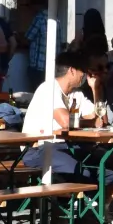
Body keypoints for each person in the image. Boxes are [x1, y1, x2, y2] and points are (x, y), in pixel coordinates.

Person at [20, 52, 107, 184]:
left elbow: (102, 120)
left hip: (66, 146)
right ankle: (79, 203)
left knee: (107, 173)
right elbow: (66, 122)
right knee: (83, 173)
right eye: (83, 70)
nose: (85, 75)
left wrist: (96, 89)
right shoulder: (49, 88)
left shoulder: (76, 93)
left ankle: (87, 202)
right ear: (72, 70)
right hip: (38, 149)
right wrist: (92, 122)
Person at [24, 0, 49, 88]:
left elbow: (27, 39)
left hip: (38, 66)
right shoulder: (55, 19)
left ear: (36, 6)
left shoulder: (39, 18)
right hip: (51, 66)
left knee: (35, 92)